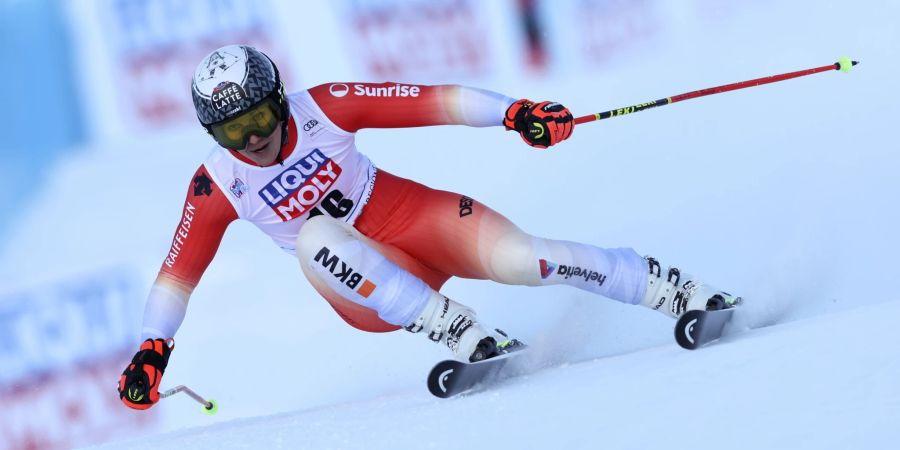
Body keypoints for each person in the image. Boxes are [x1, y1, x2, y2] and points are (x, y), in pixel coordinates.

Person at [118, 45, 740, 410]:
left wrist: (516, 114)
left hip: (408, 215)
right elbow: (178, 276)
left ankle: (673, 290)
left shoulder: (324, 105)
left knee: (527, 260)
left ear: (279, 99)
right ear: (213, 136)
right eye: (233, 132)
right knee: (314, 237)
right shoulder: (216, 184)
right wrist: (154, 349)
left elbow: (431, 99)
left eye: (256, 117)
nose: (252, 140)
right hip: (363, 285)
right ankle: (460, 332)